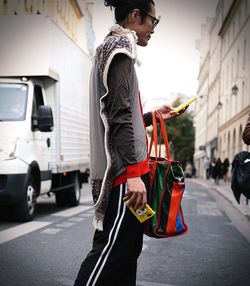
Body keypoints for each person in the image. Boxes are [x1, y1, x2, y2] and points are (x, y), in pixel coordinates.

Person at [73, 1, 180, 285]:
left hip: (124, 173)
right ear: (135, 16)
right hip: (123, 177)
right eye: (152, 22)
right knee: (110, 252)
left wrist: (153, 117)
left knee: (125, 253)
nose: (153, 30)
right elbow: (118, 114)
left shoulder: (111, 46)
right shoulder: (120, 47)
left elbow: (121, 114)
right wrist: (134, 174)